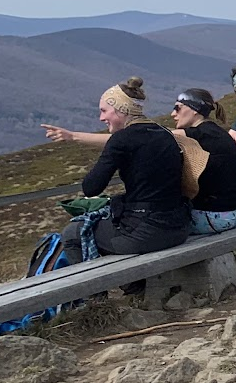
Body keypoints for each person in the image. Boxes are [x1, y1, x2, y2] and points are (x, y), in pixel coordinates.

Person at [44, 78, 189, 265]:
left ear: (121, 109)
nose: (101, 118)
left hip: (147, 232)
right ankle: (134, 287)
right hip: (180, 227)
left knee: (72, 233)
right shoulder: (164, 134)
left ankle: (95, 292)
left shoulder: (120, 140)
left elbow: (91, 188)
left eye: (104, 111)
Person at [171, 88, 236, 234]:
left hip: (215, 218)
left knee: (155, 225)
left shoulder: (199, 135)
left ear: (194, 109)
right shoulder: (217, 133)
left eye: (177, 108)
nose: (173, 113)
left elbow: (161, 135)